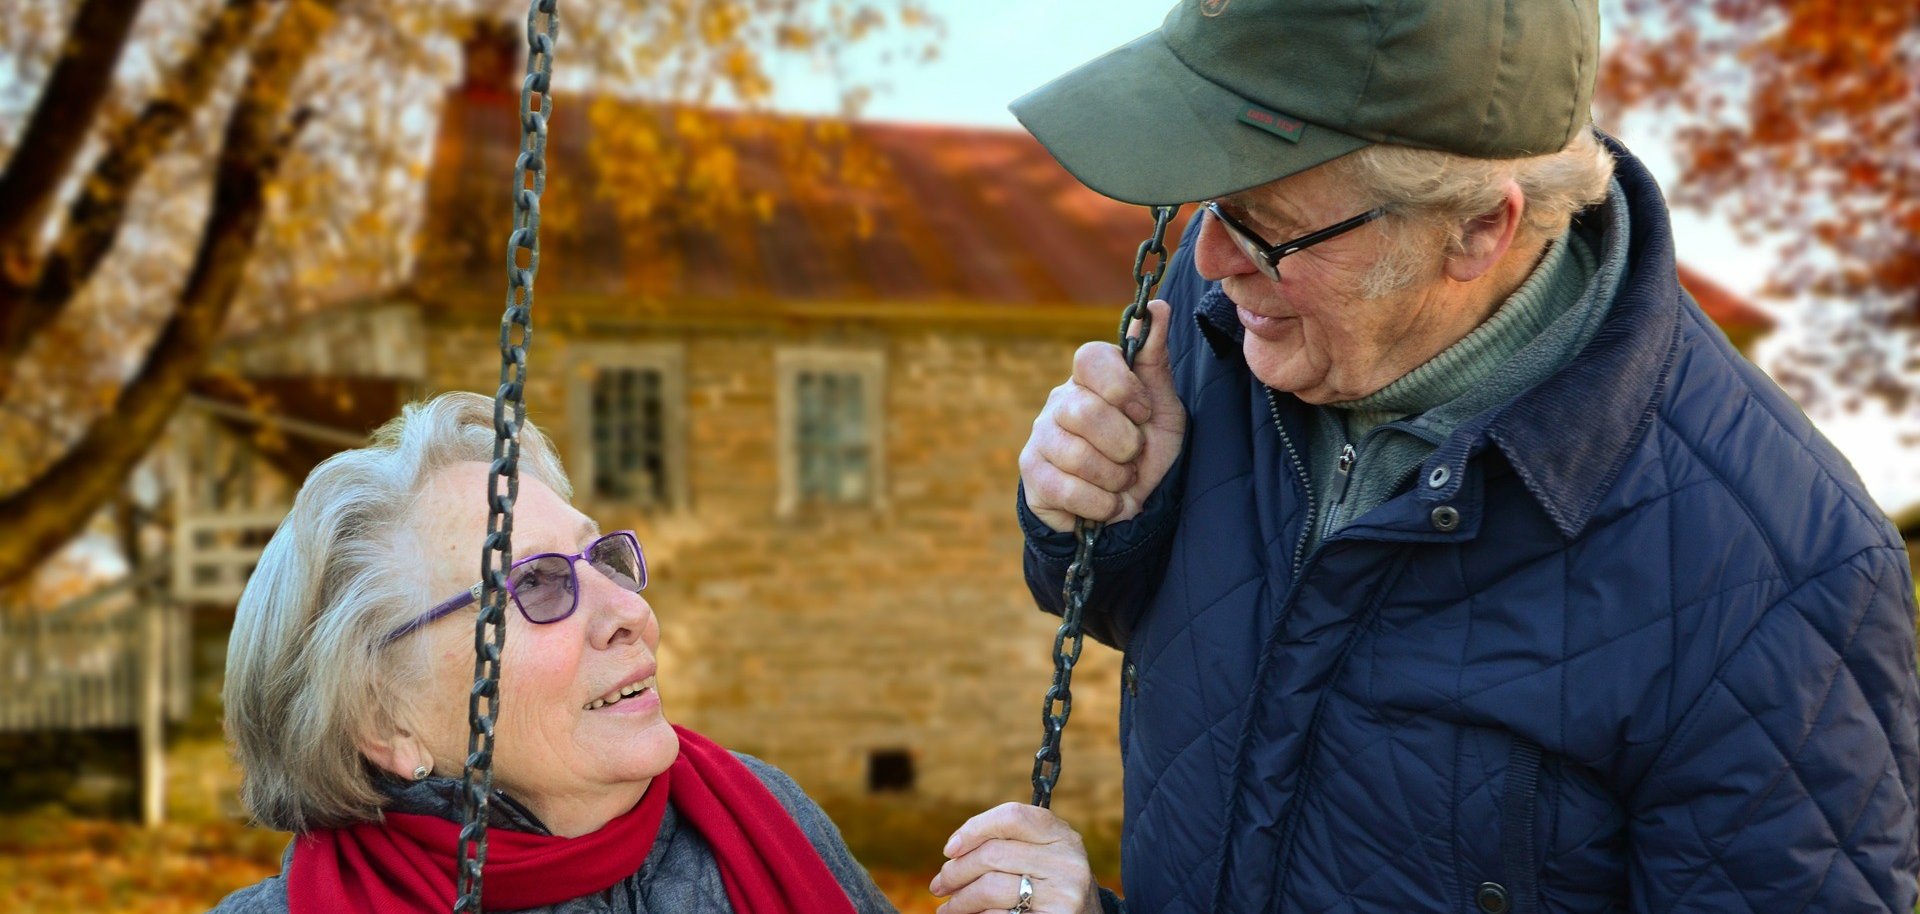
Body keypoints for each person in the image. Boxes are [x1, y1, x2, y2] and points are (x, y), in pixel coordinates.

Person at [1007, 0, 1920, 912]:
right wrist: (1100, 518)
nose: (1210, 257)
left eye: (1264, 223)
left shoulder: (1783, 579)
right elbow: (1200, 639)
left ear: (1480, 228)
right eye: (1211, 199)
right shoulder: (1237, 318)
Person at [208, 392, 1092, 914]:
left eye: (603, 560)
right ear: (383, 719)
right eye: (538, 586)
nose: (628, 610)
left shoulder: (759, 818)